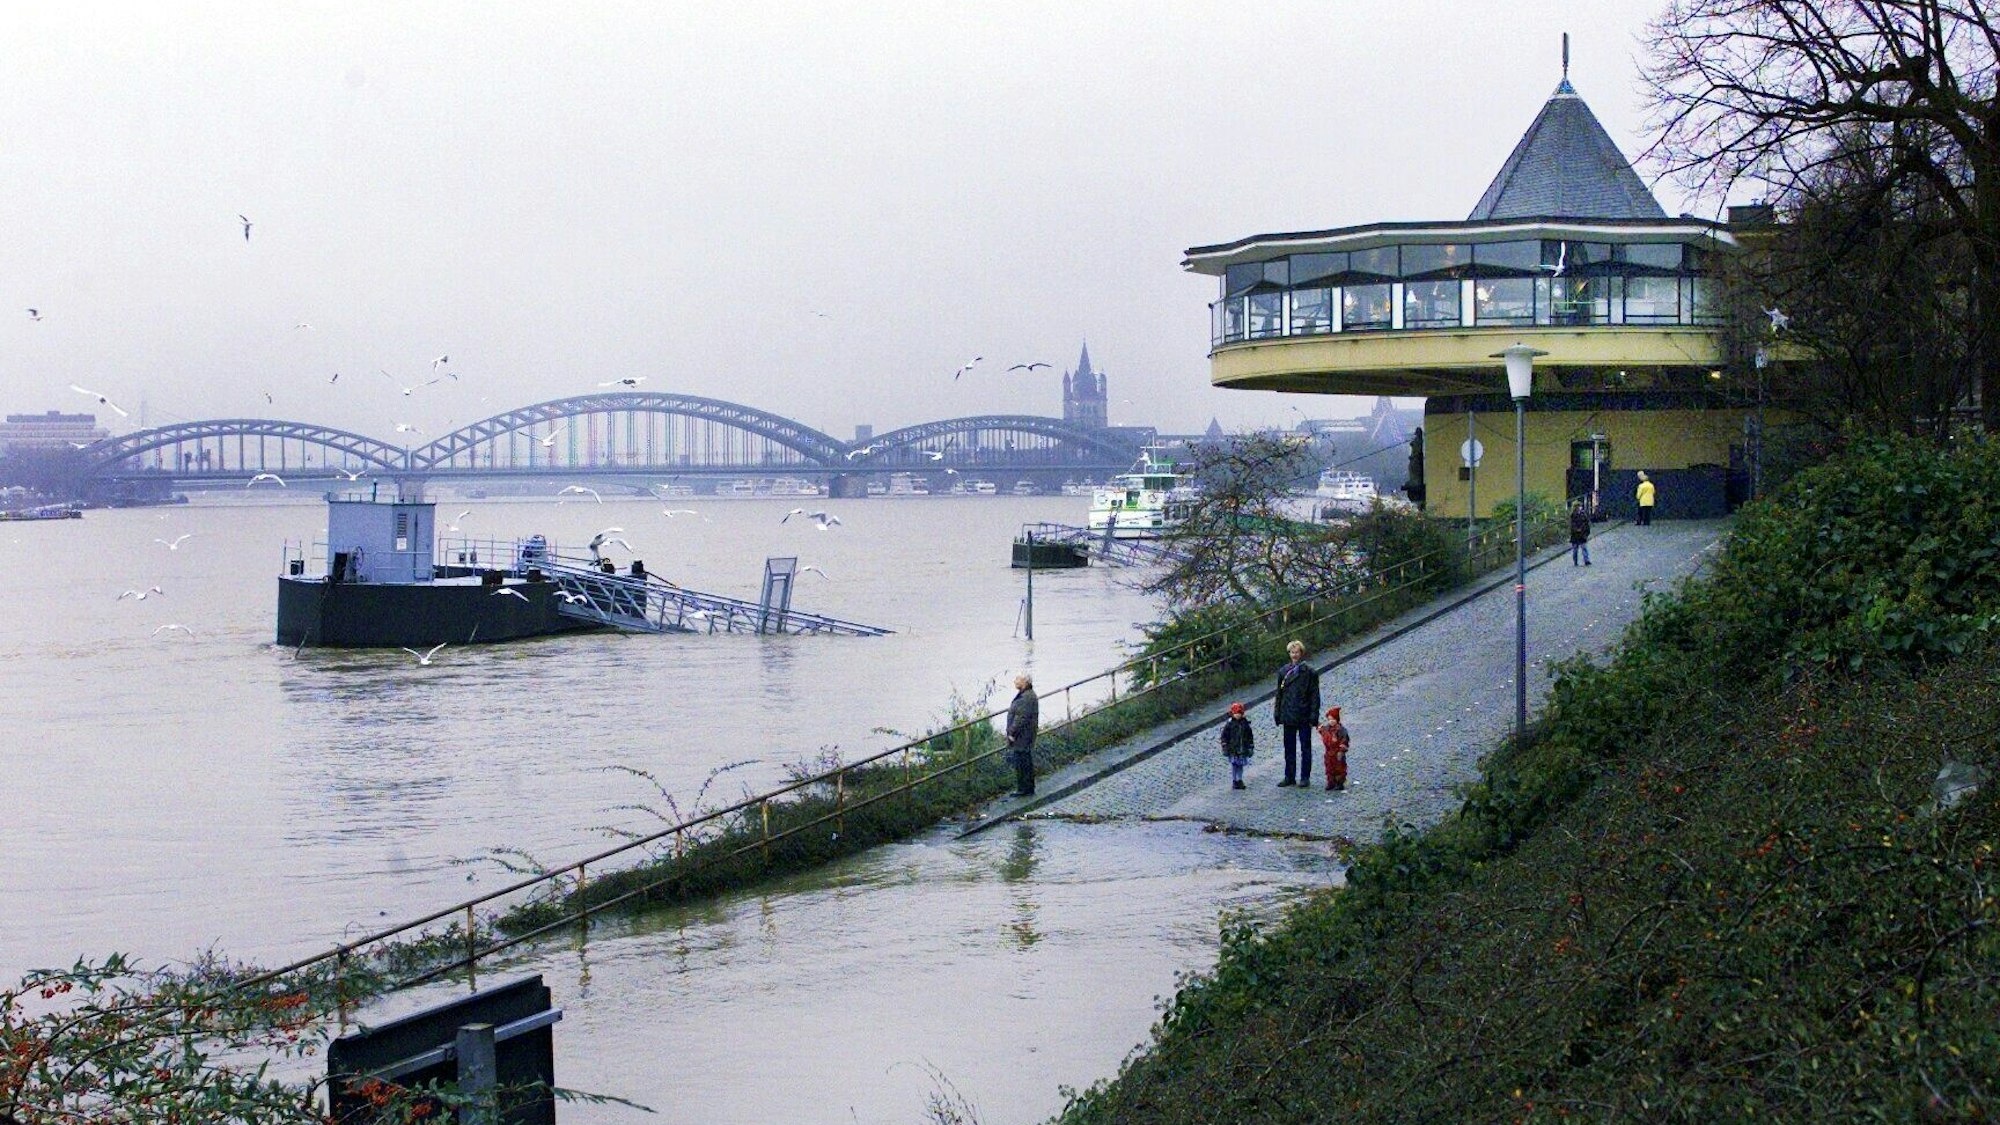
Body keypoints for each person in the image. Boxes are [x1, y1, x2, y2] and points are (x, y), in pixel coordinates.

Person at [1272, 640, 1321, 788]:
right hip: (1288, 714)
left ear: (1301, 653)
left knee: (1305, 748)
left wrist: (1314, 715)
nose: (1294, 655)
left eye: (1297, 652)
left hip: (1304, 714)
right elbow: (1279, 695)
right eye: (1292, 652)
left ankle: (1305, 777)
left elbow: (1314, 695)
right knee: (1289, 748)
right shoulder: (1283, 671)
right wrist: (1278, 712)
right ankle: (1289, 776)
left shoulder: (1310, 673)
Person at [1005, 674, 1039, 797]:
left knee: (1022, 761)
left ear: (1024, 682)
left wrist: (1011, 732)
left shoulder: (1026, 697)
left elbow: (1021, 718)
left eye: (1017, 679)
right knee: (1025, 760)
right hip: (1026, 734)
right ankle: (1027, 788)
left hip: (1022, 735)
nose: (1015, 681)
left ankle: (1024, 789)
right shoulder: (1028, 695)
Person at [1220, 702, 1254, 790]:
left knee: (1240, 766)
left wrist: (1250, 746)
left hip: (1242, 749)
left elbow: (1249, 736)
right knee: (1235, 765)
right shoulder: (1229, 725)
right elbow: (1224, 737)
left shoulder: (1245, 724)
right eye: (1236, 713)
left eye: (1239, 713)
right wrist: (1225, 746)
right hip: (1233, 749)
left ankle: (1240, 779)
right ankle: (1235, 780)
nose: (1237, 715)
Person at [1317, 706, 1349, 792]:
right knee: (1329, 768)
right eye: (1329, 719)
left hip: (1337, 752)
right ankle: (1331, 782)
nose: (1331, 721)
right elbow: (1322, 731)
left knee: (1339, 768)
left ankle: (1339, 782)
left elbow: (1344, 740)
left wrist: (1341, 750)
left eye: (1333, 719)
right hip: (1329, 753)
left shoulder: (1341, 730)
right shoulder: (1327, 729)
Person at [1569, 499, 1593, 566]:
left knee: (1584, 548)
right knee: (1575, 550)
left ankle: (1586, 561)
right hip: (1575, 535)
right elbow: (1572, 525)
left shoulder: (1583, 514)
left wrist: (1587, 532)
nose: (1579, 507)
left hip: (1582, 534)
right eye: (1578, 506)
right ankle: (1575, 562)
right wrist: (1576, 529)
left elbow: (1586, 523)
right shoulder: (1573, 515)